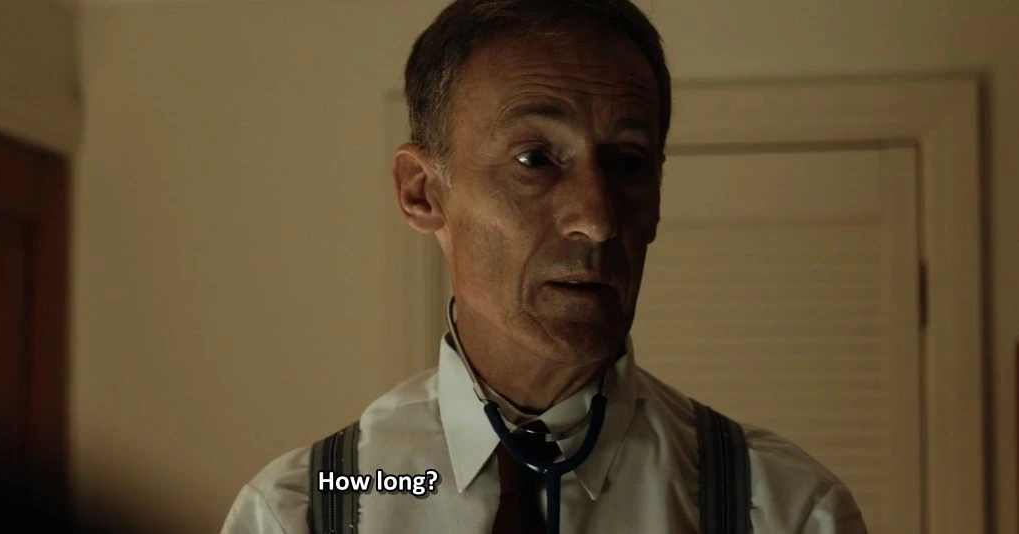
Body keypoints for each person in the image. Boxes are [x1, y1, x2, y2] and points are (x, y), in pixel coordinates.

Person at [222, 0, 867, 532]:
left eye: (628, 163)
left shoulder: (782, 510)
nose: (598, 218)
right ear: (422, 192)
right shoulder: (305, 510)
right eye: (534, 160)